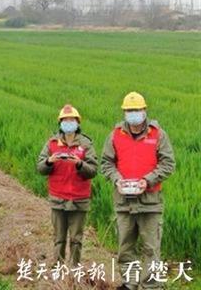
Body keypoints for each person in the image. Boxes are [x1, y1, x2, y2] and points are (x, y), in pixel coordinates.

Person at [100, 92, 175, 290]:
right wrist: (117, 179)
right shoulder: (115, 135)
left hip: (150, 202)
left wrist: (147, 180)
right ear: (124, 113)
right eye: (129, 111)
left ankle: (150, 286)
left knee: (151, 248)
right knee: (125, 246)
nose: (133, 114)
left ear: (144, 110)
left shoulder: (158, 134)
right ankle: (130, 283)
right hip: (124, 202)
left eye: (137, 110)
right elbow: (106, 163)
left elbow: (168, 163)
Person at [37, 104, 98, 267]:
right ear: (60, 123)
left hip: (79, 199)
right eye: (65, 120)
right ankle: (58, 269)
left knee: (76, 239)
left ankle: (74, 270)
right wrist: (49, 161)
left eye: (72, 120)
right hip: (58, 197)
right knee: (59, 238)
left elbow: (92, 170)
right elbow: (40, 168)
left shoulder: (86, 144)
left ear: (78, 123)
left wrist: (79, 164)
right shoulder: (51, 143)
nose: (68, 123)